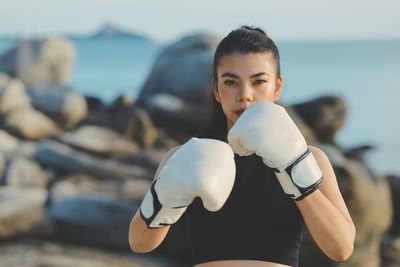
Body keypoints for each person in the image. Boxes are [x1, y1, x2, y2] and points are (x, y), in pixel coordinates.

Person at [128, 26, 356, 267]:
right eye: (231, 82)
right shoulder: (187, 157)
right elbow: (139, 242)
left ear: (277, 88)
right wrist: (165, 198)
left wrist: (295, 170)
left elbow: (341, 249)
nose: (245, 94)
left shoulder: (312, 159)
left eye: (258, 81)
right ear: (216, 89)